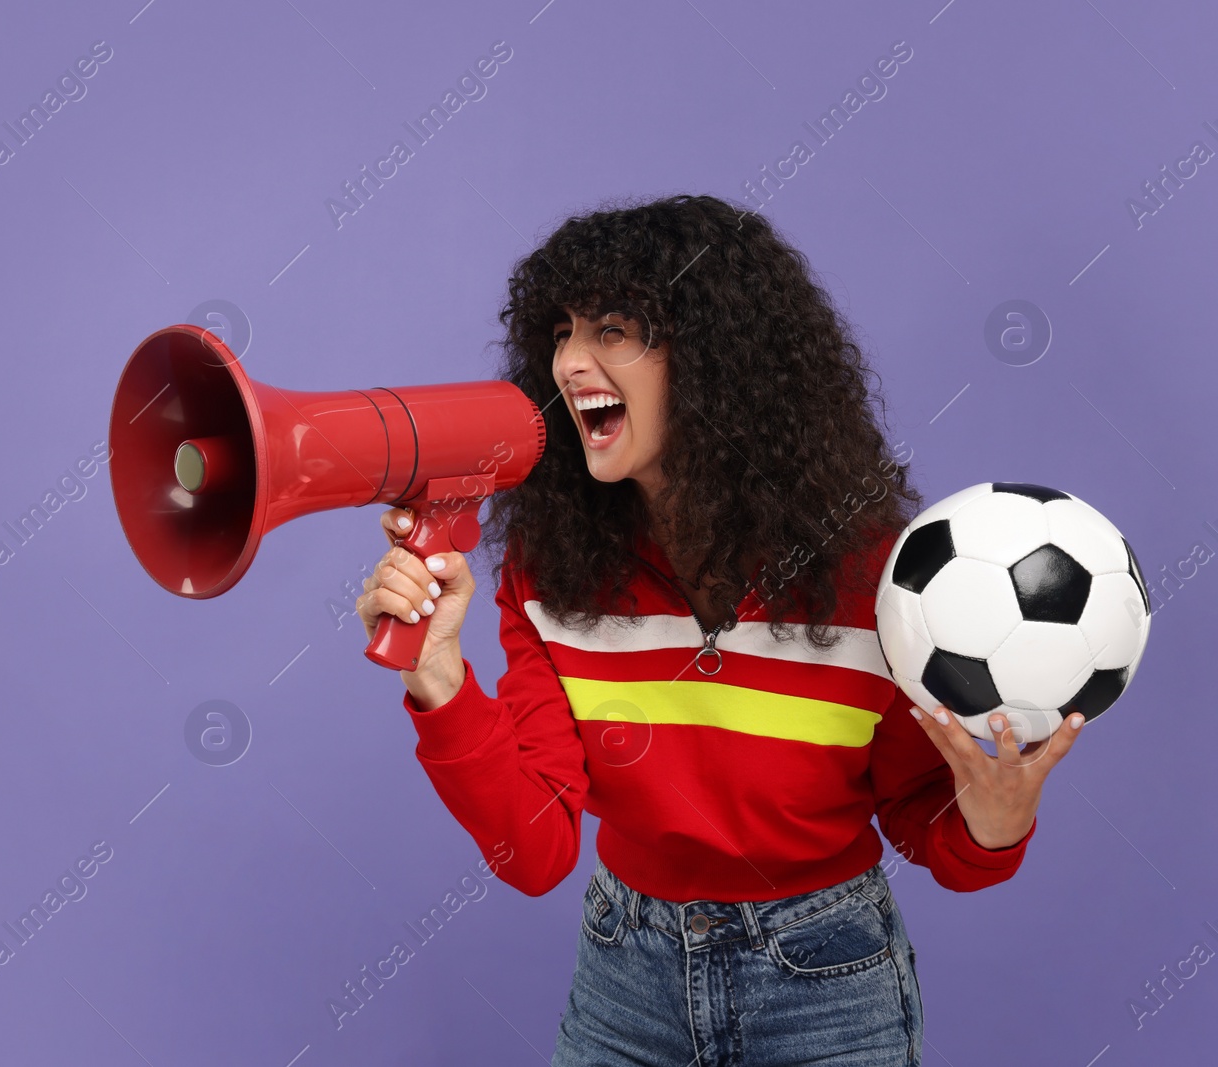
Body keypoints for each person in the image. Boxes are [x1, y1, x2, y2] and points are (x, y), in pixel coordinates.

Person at [353, 194, 1087, 1066]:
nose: (571, 362)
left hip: (827, 978)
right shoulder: (549, 571)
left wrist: (997, 818)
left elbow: (934, 830)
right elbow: (536, 849)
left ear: (713, 363)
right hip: (626, 974)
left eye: (615, 329)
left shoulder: (877, 578)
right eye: (561, 331)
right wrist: (438, 678)